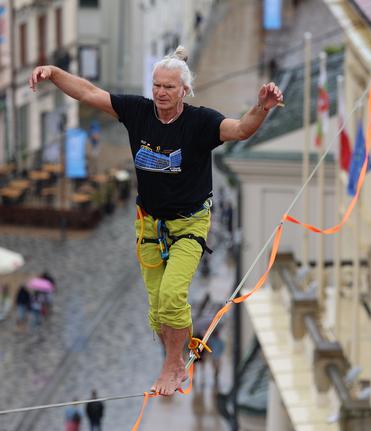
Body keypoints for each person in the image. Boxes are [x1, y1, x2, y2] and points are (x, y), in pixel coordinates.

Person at [29, 45, 282, 396]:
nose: (161, 93)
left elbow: (240, 129)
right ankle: (177, 353)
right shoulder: (138, 112)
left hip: (189, 224)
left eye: (169, 87)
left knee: (172, 295)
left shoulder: (201, 121)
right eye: (157, 86)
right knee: (156, 309)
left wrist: (261, 108)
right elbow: (89, 92)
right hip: (149, 224)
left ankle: (173, 363)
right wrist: (54, 73)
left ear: (184, 91)